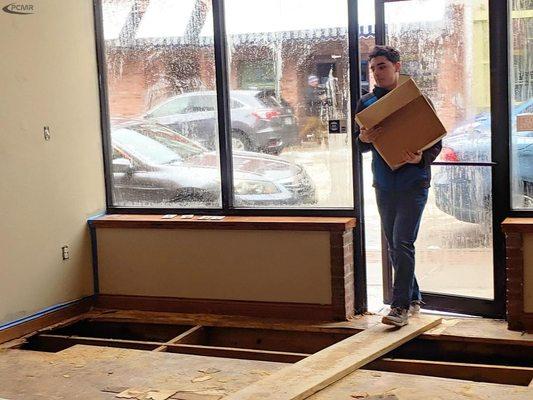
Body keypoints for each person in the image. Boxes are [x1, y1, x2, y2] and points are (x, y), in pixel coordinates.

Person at [355, 45, 443, 327]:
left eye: (382, 66)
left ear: (396, 66)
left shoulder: (414, 99)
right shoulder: (366, 103)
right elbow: (360, 146)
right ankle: (414, 297)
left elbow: (436, 141)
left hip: (414, 183)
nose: (377, 73)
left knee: (403, 242)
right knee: (394, 244)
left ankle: (400, 308)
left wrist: (421, 158)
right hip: (383, 183)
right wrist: (364, 140)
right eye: (373, 69)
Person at [300, 74, 328, 145]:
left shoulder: (315, 89)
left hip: (316, 112)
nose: (317, 82)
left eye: (317, 81)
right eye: (315, 81)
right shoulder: (309, 91)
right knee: (310, 126)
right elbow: (310, 100)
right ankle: (299, 138)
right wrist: (320, 99)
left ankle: (321, 141)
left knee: (319, 127)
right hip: (312, 113)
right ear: (311, 82)